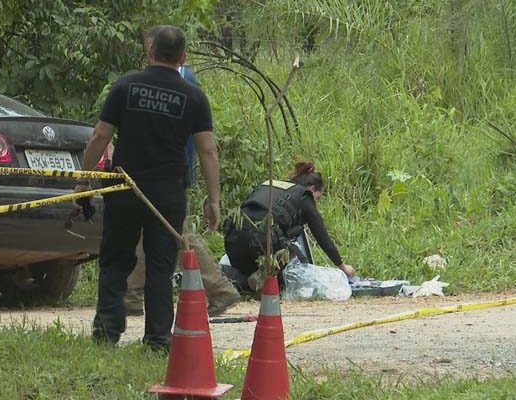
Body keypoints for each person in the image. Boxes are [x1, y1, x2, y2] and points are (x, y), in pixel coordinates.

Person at [75, 25, 220, 352]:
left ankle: (106, 334)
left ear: (150, 52)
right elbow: (208, 150)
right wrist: (214, 200)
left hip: (124, 187)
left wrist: (83, 180)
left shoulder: (125, 87)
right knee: (160, 266)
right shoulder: (194, 96)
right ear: (183, 57)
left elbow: (100, 136)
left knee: (115, 260)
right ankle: (157, 341)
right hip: (168, 193)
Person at [123, 28, 240, 318]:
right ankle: (133, 293)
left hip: (169, 172)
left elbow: (204, 145)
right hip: (164, 171)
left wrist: (214, 196)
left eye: (150, 47)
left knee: (178, 233)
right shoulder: (180, 80)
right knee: (154, 231)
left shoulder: (182, 80)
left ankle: (220, 289)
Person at [223, 161, 355, 289]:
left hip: (233, 239)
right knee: (297, 268)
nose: (316, 202)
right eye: (318, 198)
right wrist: (342, 267)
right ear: (313, 189)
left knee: (247, 276)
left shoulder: (270, 185)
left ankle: (233, 278)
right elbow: (321, 235)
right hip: (263, 238)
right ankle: (261, 281)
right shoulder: (304, 195)